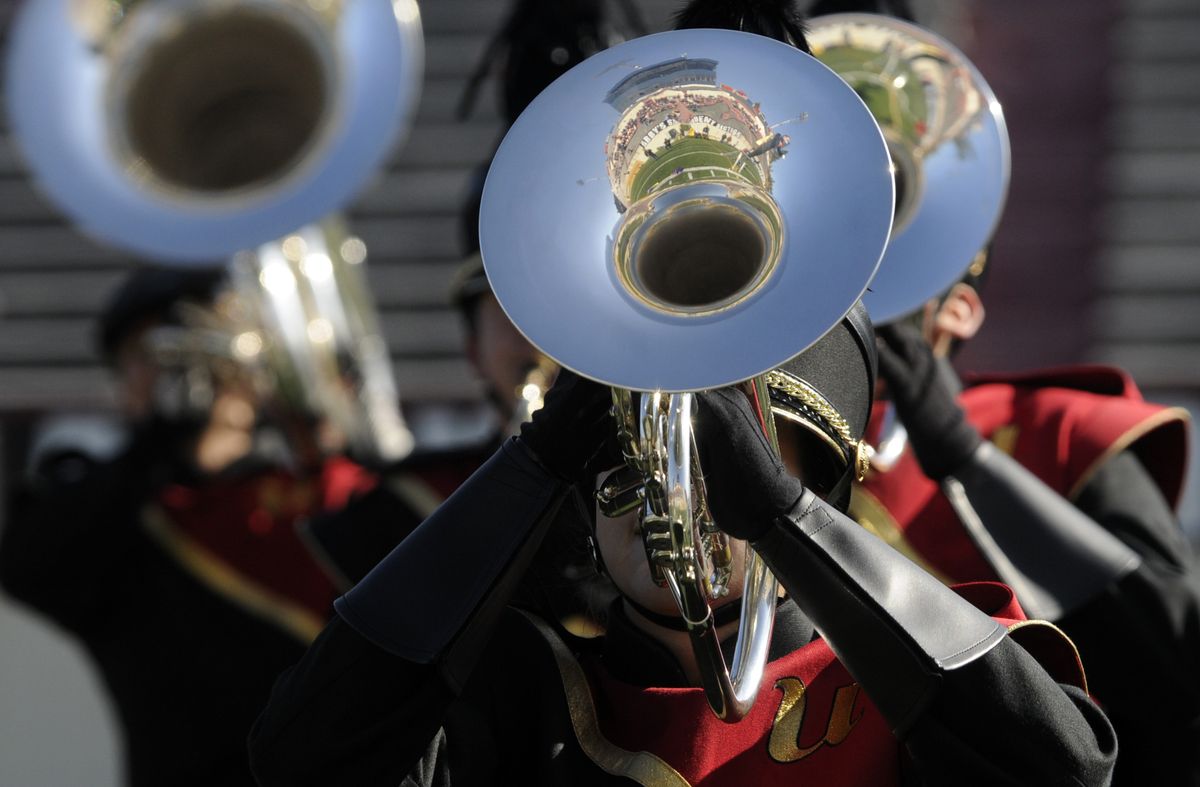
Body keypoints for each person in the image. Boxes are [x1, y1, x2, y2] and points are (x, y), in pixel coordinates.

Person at [248, 301, 1117, 786]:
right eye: (626, 459)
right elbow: (301, 759)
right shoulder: (515, 695)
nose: (665, 491)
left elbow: (1068, 773)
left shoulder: (921, 678)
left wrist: (781, 519)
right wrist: (534, 467)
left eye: (720, 464)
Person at [0, 266, 376, 786]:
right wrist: (159, 443)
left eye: (200, 342)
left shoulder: (314, 492)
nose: (180, 367)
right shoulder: (113, 510)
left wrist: (325, 423)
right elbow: (30, 571)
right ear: (122, 385)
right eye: (149, 354)